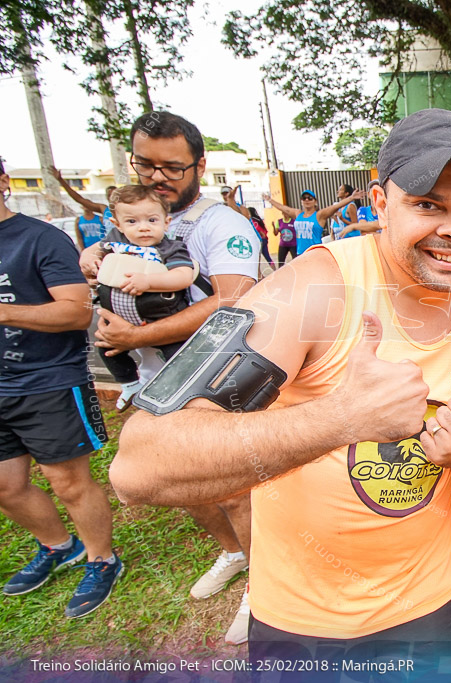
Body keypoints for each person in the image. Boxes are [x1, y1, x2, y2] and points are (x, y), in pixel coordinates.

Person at [108, 108, 451, 679]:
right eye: (428, 204)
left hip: (435, 608)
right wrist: (342, 417)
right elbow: (140, 464)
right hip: (309, 629)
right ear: (378, 202)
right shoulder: (313, 289)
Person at [78, 111, 260, 643]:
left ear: (199, 165)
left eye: (172, 168)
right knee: (182, 479)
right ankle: (232, 553)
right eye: (145, 164)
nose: (158, 177)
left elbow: (232, 299)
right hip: (151, 378)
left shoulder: (219, 223)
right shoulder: (133, 218)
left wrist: (134, 337)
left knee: (234, 487)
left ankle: (263, 582)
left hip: (214, 375)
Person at [0, 156, 122, 618]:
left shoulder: (38, 238)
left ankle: (102, 558)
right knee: (5, 486)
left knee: (67, 481)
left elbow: (76, 312)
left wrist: (5, 312)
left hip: (46, 380)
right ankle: (57, 545)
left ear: (4, 183)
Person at [83, 185, 194, 411]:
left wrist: (149, 281)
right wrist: (92, 263)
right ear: (117, 225)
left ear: (166, 222)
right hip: (117, 315)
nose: (143, 228)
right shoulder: (114, 242)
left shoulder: (169, 248)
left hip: (160, 318)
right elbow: (95, 255)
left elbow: (184, 276)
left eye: (151, 220)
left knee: (177, 355)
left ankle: (183, 389)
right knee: (106, 347)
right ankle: (130, 384)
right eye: (132, 222)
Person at [263, 187, 363, 255]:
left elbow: (336, 206)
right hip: (301, 253)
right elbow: (282, 208)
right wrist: (269, 200)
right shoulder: (298, 214)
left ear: (315, 201)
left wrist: (351, 198)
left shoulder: (319, 215)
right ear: (301, 201)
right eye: (304, 198)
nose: (307, 200)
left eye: (310, 198)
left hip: (315, 253)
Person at [49, 166, 117, 234]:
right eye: (109, 195)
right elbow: (79, 199)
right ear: (106, 197)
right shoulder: (104, 209)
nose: (111, 197)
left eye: (114, 194)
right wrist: (61, 180)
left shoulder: (126, 206)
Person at [247, 206, 276, 271]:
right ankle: (275, 270)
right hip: (265, 240)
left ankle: (259, 273)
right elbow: (264, 232)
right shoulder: (259, 220)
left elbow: (260, 232)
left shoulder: (253, 221)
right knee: (268, 257)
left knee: (257, 259)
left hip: (260, 241)